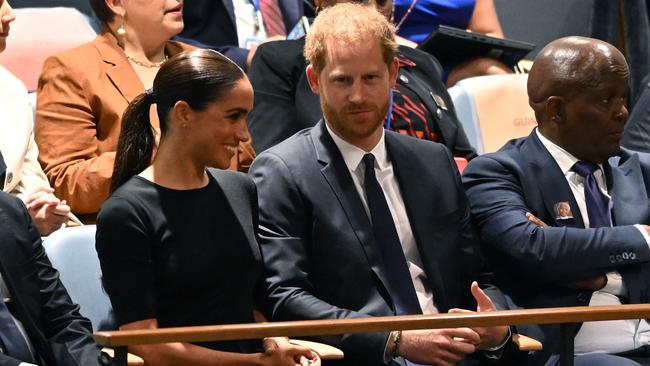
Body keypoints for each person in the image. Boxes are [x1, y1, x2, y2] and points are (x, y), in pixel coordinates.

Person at [250, 4, 511, 365]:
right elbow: (284, 295)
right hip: (365, 356)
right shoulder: (282, 170)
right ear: (314, 80)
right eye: (342, 80)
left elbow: (480, 275)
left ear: (392, 73)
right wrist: (395, 339)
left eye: (370, 78)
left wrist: (496, 323)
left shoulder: (433, 161)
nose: (357, 96)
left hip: (456, 353)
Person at [95, 49, 320, 366]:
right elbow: (146, 343)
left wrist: (277, 342)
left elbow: (249, 302)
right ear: (184, 113)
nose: (244, 135)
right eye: (233, 117)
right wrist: (257, 363)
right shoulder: (127, 212)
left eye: (246, 117)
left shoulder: (240, 188)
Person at [462, 36, 650, 366]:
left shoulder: (641, 169)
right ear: (556, 109)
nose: (623, 113)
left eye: (624, 97)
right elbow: (534, 249)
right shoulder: (498, 173)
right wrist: (643, 237)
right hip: (571, 353)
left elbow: (554, 250)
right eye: (606, 99)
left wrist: (607, 279)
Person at [35, 0, 255, 221]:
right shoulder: (72, 69)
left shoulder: (205, 63)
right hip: (135, 228)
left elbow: (244, 160)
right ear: (116, 3)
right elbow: (65, 183)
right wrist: (153, 150)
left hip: (219, 221)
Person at [247, 0, 477, 157]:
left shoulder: (422, 63)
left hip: (432, 203)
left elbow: (462, 156)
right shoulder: (279, 60)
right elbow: (274, 159)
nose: (366, 13)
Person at [0, 0, 70, 236]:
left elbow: (30, 181)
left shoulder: (10, 88)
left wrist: (43, 209)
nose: (10, 14)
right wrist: (18, 217)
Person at [393, 0, 511, 86]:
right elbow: (374, 24)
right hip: (401, 57)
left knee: (496, 73)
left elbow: (490, 33)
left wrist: (466, 42)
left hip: (451, 65)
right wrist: (421, 54)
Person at [176, 0, 303, 70]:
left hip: (292, 77)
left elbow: (311, 15)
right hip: (224, 82)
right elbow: (166, 35)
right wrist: (244, 58)